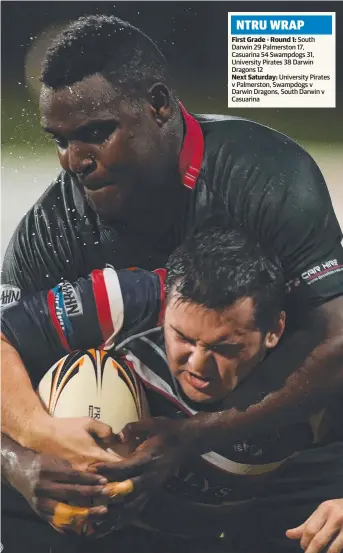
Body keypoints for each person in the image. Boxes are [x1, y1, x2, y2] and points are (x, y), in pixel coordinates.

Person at [1, 11, 343, 539]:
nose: (74, 161)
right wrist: (23, 453)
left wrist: (196, 434)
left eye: (96, 133)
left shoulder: (266, 178)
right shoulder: (52, 230)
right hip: (138, 484)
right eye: (60, 140)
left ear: (159, 105)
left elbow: (335, 345)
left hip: (285, 459)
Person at [2, 226, 343, 553]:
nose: (197, 365)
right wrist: (19, 462)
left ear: (274, 331)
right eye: (182, 337)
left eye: (225, 348)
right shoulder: (128, 301)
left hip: (199, 537)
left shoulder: (314, 371)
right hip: (44, 521)